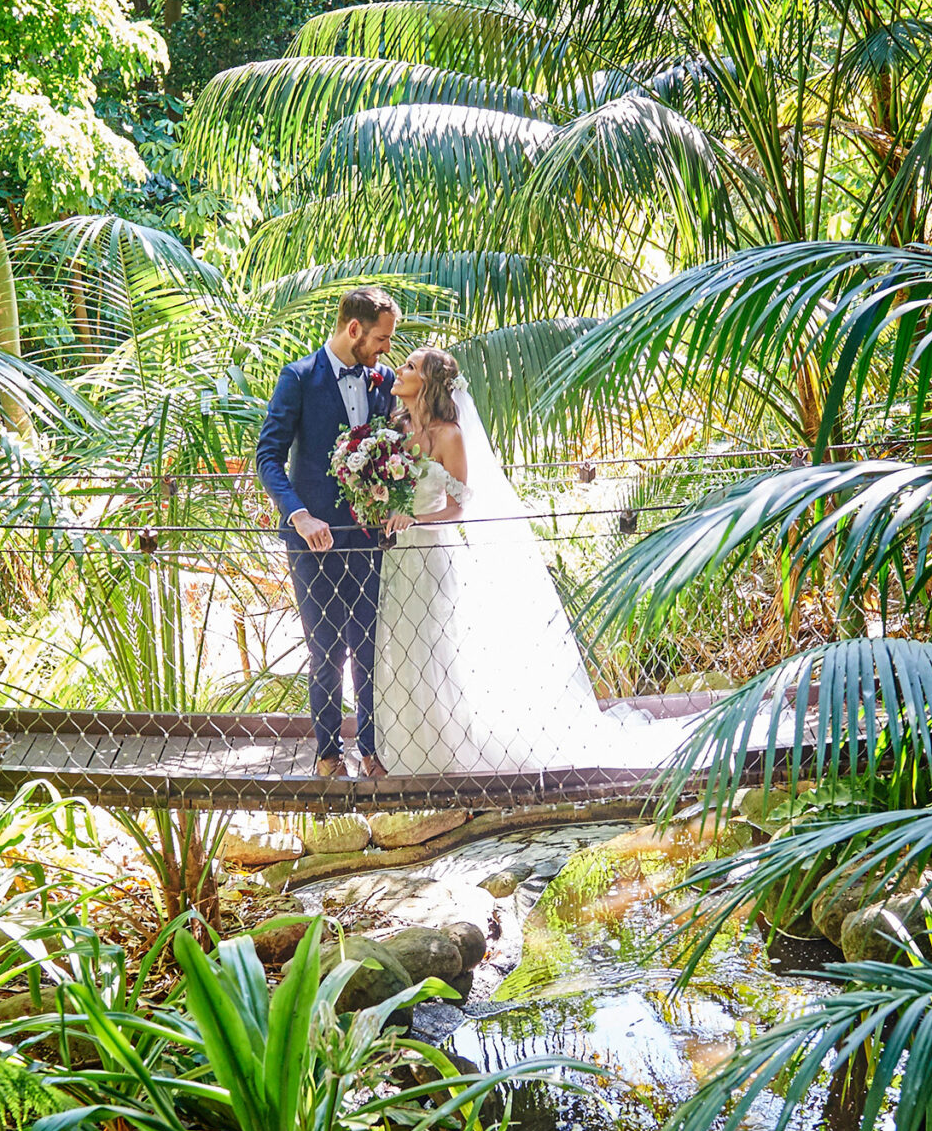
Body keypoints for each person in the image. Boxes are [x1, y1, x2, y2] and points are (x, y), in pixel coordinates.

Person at [374, 346, 697, 778]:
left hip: (432, 555)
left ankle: (447, 751)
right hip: (395, 561)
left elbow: (458, 507)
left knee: (437, 648)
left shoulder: (449, 434)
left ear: (428, 382)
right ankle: (407, 749)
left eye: (410, 366)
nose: (400, 369)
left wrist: (413, 518)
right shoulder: (393, 428)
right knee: (401, 648)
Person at [255, 287, 401, 778]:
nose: (386, 349)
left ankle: (376, 750)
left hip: (370, 539)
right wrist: (298, 514)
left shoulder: (383, 380)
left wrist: (398, 504)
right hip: (312, 540)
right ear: (353, 329)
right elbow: (268, 457)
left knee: (370, 645)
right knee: (326, 647)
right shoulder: (297, 378)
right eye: (381, 339)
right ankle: (328, 755)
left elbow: (401, 451)